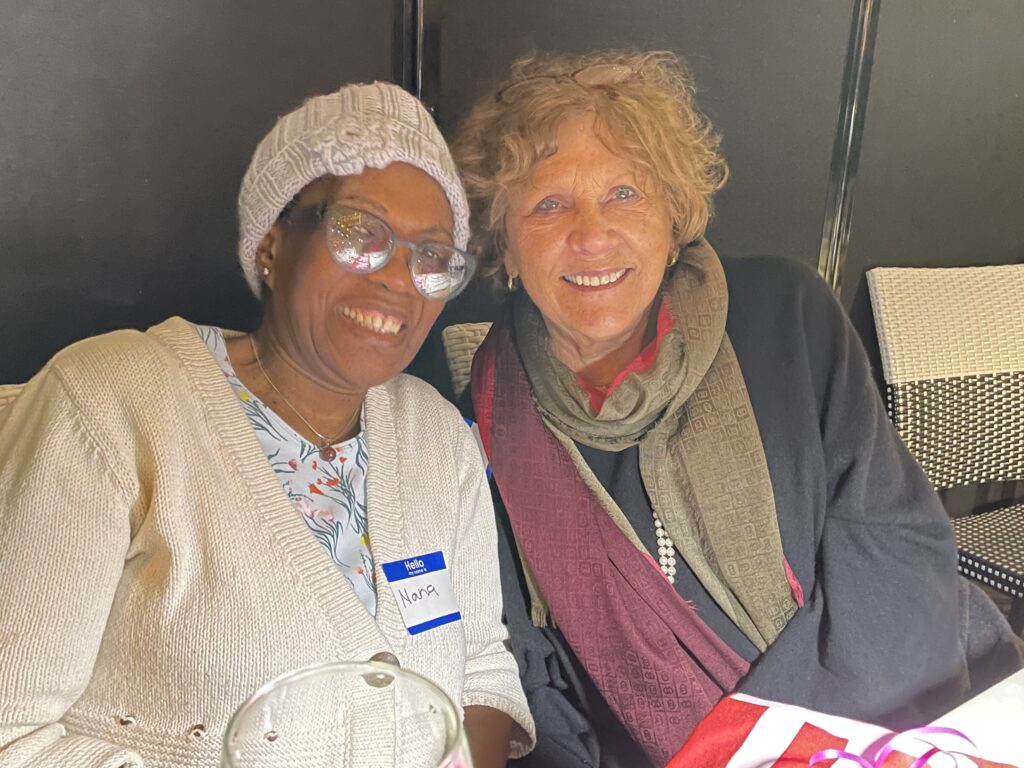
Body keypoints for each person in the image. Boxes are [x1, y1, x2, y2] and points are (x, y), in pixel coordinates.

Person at [451, 50, 1023, 767]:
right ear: (504, 241)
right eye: (548, 203)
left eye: (625, 192)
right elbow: (532, 674)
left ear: (673, 215)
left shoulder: (788, 317)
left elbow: (897, 560)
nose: (591, 233)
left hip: (897, 724)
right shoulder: (485, 419)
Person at [0, 82, 534, 767]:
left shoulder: (438, 437)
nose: (399, 278)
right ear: (272, 245)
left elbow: (483, 671)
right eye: (357, 232)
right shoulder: (109, 402)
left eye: (431, 257)